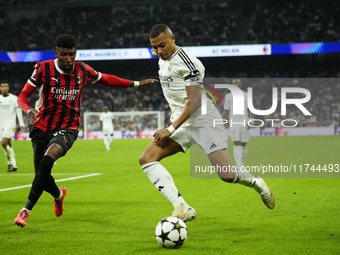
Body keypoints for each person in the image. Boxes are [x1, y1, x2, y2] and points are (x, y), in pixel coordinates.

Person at [14, 34, 157, 228]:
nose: (68, 59)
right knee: (41, 175)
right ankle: (58, 194)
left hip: (68, 127)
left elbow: (107, 79)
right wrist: (28, 109)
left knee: (48, 160)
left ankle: (25, 211)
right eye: (63, 54)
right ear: (56, 53)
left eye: (72, 54)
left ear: (75, 53)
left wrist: (137, 83)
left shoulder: (82, 70)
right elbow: (23, 95)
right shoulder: (43, 69)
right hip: (41, 126)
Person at [139, 24, 275, 223]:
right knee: (147, 158)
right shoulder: (162, 57)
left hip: (203, 119)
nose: (159, 51)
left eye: (162, 45)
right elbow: (159, 54)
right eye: (155, 47)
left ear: (173, 39)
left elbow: (194, 101)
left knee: (227, 175)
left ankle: (257, 183)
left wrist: (170, 129)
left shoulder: (189, 63)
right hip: (182, 121)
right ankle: (181, 207)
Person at [222, 79, 252, 171]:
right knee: (236, 142)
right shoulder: (228, 96)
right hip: (234, 122)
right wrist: (223, 122)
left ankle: (242, 165)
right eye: (234, 83)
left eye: (238, 83)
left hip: (244, 122)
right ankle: (239, 166)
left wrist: (251, 120)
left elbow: (250, 109)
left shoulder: (246, 95)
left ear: (241, 84)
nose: (236, 84)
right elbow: (226, 111)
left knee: (243, 144)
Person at [0, 82, 25, 172]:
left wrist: (21, 124)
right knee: (8, 145)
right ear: (0, 88)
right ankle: (12, 165)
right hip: (1, 125)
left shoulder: (14, 99)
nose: (4, 88)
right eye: (2, 86)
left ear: (8, 88)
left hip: (10, 124)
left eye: (6, 86)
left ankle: (12, 163)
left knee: (3, 143)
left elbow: (19, 112)